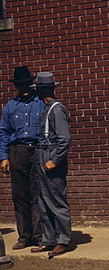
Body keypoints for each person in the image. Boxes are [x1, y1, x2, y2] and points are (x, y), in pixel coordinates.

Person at [0, 66, 44, 250]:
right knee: (20, 195)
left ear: (31, 83)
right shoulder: (10, 106)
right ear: (16, 86)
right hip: (17, 152)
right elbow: (4, 132)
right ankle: (24, 236)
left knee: (37, 194)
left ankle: (38, 235)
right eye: (20, 85)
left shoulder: (41, 103)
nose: (24, 87)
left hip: (36, 150)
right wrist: (4, 157)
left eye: (26, 83)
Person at [29, 72, 71, 258]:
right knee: (43, 200)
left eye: (39, 89)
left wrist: (54, 160)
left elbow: (64, 139)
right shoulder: (46, 109)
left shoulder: (57, 109)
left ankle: (63, 240)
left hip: (50, 155)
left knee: (56, 199)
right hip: (41, 153)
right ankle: (49, 239)